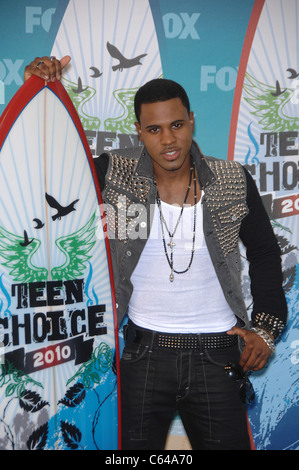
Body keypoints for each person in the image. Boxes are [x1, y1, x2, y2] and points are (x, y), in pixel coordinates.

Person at [24, 57, 287, 450]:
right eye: (154, 129)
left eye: (177, 125)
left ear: (192, 121)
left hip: (219, 356)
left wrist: (265, 330)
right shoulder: (113, 172)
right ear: (139, 131)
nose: (168, 140)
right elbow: (49, 172)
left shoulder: (232, 179)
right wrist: (36, 94)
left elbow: (265, 254)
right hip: (142, 356)